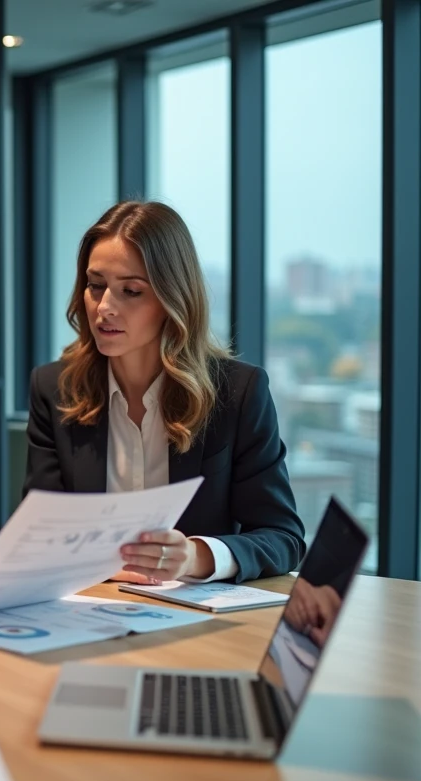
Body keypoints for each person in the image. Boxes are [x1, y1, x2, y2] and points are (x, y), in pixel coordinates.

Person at [24, 200, 306, 584]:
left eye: (131, 291)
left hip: (193, 622)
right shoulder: (54, 389)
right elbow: (39, 535)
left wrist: (196, 555)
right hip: (90, 611)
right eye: (95, 285)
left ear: (172, 299)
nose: (104, 307)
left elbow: (283, 538)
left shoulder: (238, 393)